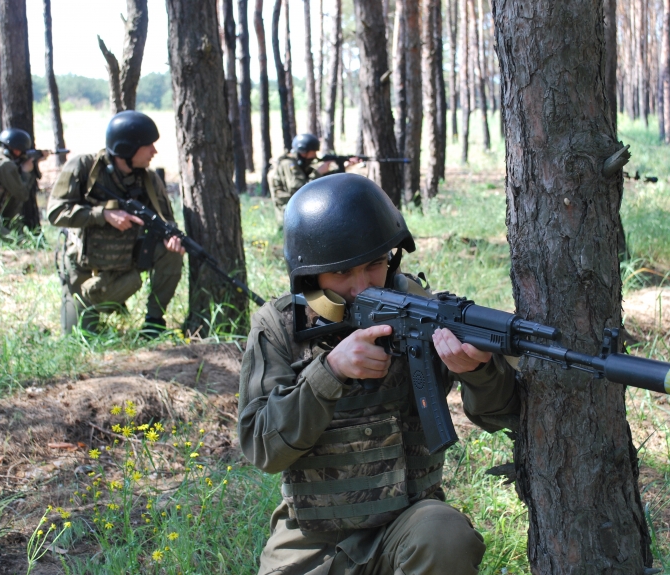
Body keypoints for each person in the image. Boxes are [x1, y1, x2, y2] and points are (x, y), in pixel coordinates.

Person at [237, 173, 520, 574]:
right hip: (313, 541)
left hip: (407, 529)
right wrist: (329, 371)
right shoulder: (280, 326)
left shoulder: (420, 309)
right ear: (310, 275)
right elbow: (262, 449)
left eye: (374, 265)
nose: (361, 286)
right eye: (341, 272)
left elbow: (501, 412)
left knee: (445, 533)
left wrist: (477, 371)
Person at [47, 110, 185, 336]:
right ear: (127, 148)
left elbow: (166, 220)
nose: (154, 151)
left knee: (171, 253)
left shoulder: (149, 179)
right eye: (148, 145)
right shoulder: (83, 167)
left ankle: (154, 322)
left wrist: (172, 238)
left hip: (125, 261)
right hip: (84, 267)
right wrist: (103, 215)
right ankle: (101, 306)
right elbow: (55, 212)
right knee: (79, 337)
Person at [267, 133, 360, 225]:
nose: (315, 155)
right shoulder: (288, 164)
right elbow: (300, 189)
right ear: (303, 151)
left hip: (298, 213)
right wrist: (318, 172)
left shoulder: (300, 164)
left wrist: (343, 167)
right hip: (290, 217)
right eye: (313, 152)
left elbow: (318, 180)